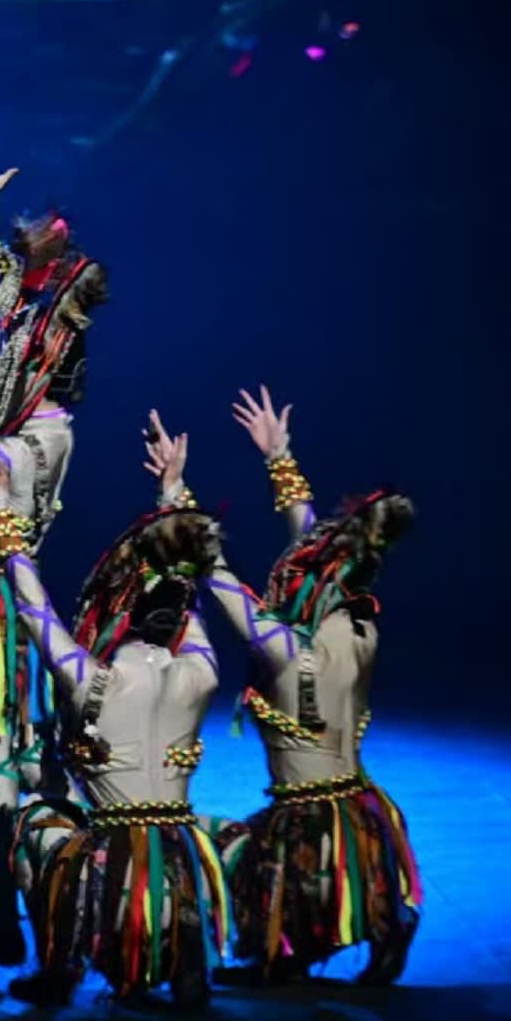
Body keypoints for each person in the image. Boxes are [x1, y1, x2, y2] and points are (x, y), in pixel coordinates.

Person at [150, 397, 423, 984]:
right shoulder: (353, 623)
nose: (275, 585)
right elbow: (313, 535)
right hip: (359, 810)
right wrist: (280, 456)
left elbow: (214, 570)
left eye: (284, 578)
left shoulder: (284, 648)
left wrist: (174, 494)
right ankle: (373, 924)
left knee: (204, 843)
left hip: (305, 824)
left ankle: (292, 943)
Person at [0, 453, 241, 1010]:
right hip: (178, 858)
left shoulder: (90, 681)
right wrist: (174, 508)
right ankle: (189, 959)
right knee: (211, 830)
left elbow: (33, 609)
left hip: (112, 875)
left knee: (32, 820)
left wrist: (2, 514)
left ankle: (59, 967)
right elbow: (191, 609)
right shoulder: (201, 675)